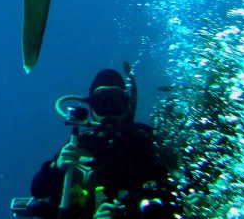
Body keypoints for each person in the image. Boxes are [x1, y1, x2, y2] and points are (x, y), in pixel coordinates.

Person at [23, 66, 178, 219]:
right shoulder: (79, 145)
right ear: (92, 107)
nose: (109, 111)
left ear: (126, 106)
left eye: (116, 103)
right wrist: (56, 167)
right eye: (102, 104)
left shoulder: (146, 141)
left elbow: (178, 181)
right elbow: (38, 190)